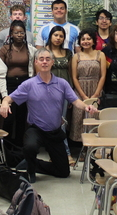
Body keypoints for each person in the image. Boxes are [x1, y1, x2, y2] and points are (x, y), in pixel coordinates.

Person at [0, 48, 97, 183]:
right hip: (36, 129)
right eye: (41, 59)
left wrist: (86, 106)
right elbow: (9, 98)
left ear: (52, 62)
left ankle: (33, 164)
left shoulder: (62, 83)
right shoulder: (29, 84)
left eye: (47, 59)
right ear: (36, 63)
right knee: (30, 146)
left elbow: (76, 101)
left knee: (63, 172)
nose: (44, 62)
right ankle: (31, 170)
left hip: (54, 131)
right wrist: (5, 104)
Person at [0, 20, 36, 146]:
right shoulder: (4, 50)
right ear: (11, 34)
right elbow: (0, 73)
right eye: (16, 32)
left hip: (25, 85)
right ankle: (8, 149)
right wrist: (4, 94)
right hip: (9, 85)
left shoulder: (31, 50)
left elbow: (33, 70)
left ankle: (20, 149)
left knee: (22, 118)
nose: (19, 35)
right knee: (8, 118)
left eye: (22, 32)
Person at [70, 29, 106, 142]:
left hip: (95, 88)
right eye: (83, 39)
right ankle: (81, 147)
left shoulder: (100, 54)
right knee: (79, 118)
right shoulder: (76, 56)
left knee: (94, 118)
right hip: (80, 91)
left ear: (93, 41)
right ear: (80, 42)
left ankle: (94, 147)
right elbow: (74, 77)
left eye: (88, 39)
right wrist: (83, 96)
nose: (86, 41)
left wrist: (95, 94)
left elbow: (103, 76)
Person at [45, 25, 74, 165]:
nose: (58, 38)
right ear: (51, 36)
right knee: (50, 124)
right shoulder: (44, 52)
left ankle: (65, 153)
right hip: (46, 92)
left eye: (61, 36)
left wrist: (71, 94)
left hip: (63, 92)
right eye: (56, 35)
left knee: (61, 123)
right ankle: (55, 154)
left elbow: (71, 74)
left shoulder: (68, 53)